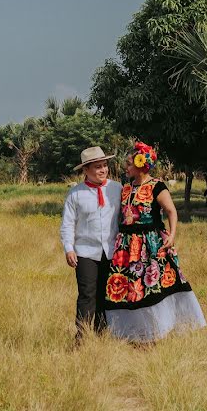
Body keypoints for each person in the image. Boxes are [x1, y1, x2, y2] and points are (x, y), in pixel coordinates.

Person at [103, 142, 206, 343]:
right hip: (127, 246)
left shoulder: (157, 186)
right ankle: (133, 331)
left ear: (141, 164)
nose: (126, 167)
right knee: (131, 289)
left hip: (150, 243)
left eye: (129, 164)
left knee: (154, 286)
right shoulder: (125, 189)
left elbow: (171, 211)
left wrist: (172, 234)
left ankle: (160, 328)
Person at [60, 146, 122, 343]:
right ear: (86, 170)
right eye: (97, 167)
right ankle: (82, 337)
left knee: (107, 293)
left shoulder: (117, 189)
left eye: (104, 165)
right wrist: (69, 248)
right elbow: (68, 224)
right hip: (86, 252)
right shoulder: (75, 194)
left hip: (111, 251)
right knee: (87, 294)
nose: (103, 170)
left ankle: (102, 333)